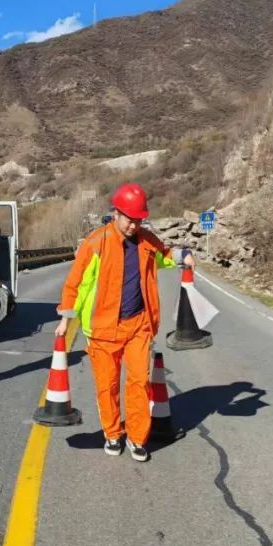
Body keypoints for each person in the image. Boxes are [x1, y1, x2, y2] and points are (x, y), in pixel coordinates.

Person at [54, 183, 195, 461]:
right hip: (103, 329)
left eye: (139, 220)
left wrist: (182, 254)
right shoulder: (96, 243)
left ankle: (137, 437)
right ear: (116, 213)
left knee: (139, 382)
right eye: (130, 219)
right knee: (107, 387)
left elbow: (164, 255)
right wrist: (66, 318)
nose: (134, 225)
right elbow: (75, 282)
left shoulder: (146, 240)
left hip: (138, 326)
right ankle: (112, 434)